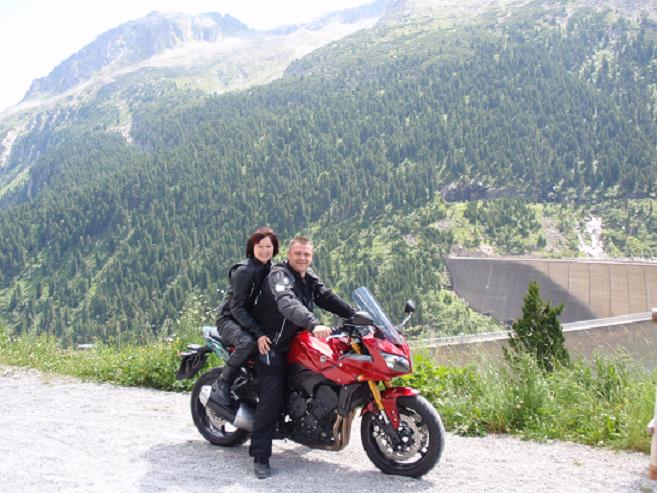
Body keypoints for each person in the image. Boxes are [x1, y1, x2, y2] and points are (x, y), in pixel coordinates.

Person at [249, 236, 355, 479]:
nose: (302, 258)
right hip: (272, 343)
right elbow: (287, 304)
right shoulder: (279, 275)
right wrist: (313, 323)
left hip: (298, 341)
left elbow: (326, 296)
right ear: (289, 254)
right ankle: (260, 457)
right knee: (272, 395)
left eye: (307, 254)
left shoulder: (308, 277)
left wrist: (355, 316)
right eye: (298, 253)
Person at [208, 227, 280, 408]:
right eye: (260, 246)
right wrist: (258, 333)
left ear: (275, 248)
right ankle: (223, 382)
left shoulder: (271, 269)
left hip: (248, 319)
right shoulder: (244, 271)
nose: (264, 250)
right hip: (228, 319)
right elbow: (236, 307)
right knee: (247, 342)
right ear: (252, 247)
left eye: (268, 246)